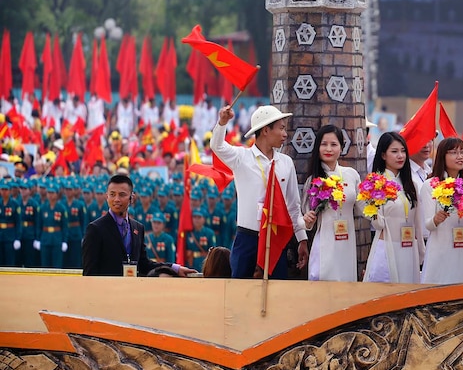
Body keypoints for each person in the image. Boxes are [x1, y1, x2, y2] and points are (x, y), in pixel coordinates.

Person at [210, 104, 308, 279]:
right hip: (248, 238)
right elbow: (217, 147)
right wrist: (222, 122)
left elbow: (293, 205)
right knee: (240, 291)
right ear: (265, 131)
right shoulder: (242, 158)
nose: (285, 134)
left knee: (277, 293)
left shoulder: (285, 163)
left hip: (275, 238)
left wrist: (302, 239)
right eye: (281, 128)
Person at [81, 174, 196, 277]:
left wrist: (174, 268)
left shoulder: (137, 228)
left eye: (122, 195)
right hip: (107, 294)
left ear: (132, 198)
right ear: (107, 197)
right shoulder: (96, 229)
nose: (116, 199)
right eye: (112, 195)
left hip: (132, 292)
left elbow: (143, 264)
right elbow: (89, 273)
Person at [301, 125, 363, 282]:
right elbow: (307, 222)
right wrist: (307, 220)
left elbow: (364, 210)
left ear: (342, 147)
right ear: (317, 147)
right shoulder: (314, 180)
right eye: (324, 144)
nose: (328, 149)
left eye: (334, 144)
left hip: (347, 244)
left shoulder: (351, 175)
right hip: (325, 244)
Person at [363, 132, 423, 283]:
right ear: (383, 155)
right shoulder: (375, 184)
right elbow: (377, 223)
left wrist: (421, 251)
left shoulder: (411, 185)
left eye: (403, 151)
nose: (400, 156)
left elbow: (417, 222)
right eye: (394, 151)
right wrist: (375, 213)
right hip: (387, 247)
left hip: (409, 249)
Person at [419, 136, 463, 284]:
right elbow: (428, 225)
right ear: (443, 156)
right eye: (454, 152)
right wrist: (436, 219)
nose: (460, 156)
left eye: (462, 152)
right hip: (441, 250)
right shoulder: (431, 185)